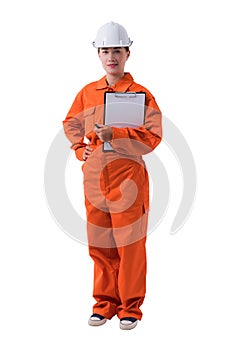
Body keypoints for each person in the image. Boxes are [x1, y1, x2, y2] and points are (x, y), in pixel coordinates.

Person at [63, 21, 162, 330]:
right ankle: (104, 304)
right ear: (98, 54)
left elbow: (153, 136)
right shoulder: (87, 93)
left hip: (128, 180)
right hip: (95, 180)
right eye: (105, 50)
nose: (111, 57)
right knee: (101, 244)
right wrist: (81, 151)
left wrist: (115, 133)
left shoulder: (140, 94)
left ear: (127, 53)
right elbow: (70, 124)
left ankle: (130, 307)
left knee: (130, 246)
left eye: (117, 50)